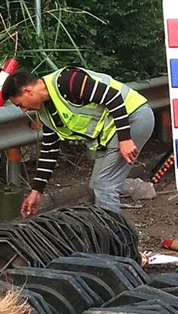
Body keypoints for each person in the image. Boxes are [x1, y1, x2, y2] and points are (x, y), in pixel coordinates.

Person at [9, 65, 156, 215]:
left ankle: (116, 237)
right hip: (112, 132)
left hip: (133, 118)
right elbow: (49, 150)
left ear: (27, 91)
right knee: (95, 188)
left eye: (20, 104)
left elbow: (113, 97)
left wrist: (125, 138)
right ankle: (109, 228)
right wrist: (36, 191)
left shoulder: (68, 81)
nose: (24, 110)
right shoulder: (46, 113)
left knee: (104, 186)